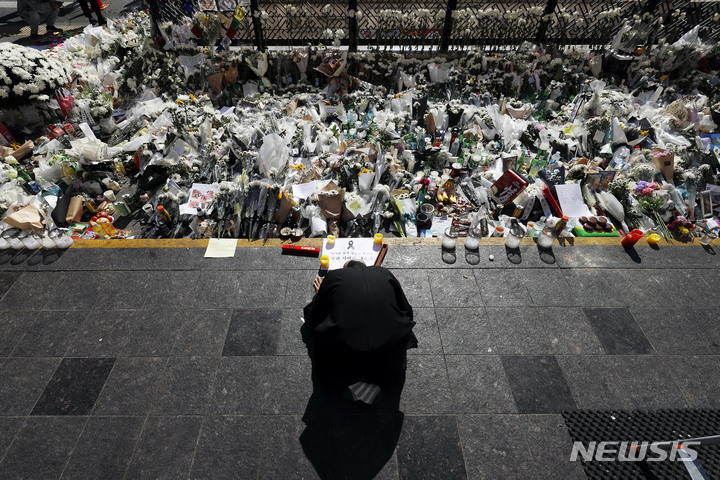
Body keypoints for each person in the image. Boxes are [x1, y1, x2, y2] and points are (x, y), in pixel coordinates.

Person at [303, 259, 417, 404]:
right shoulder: (384, 273)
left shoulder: (333, 277)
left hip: (346, 360)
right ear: (365, 265)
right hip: (389, 357)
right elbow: (407, 311)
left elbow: (313, 318)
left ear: (346, 267)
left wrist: (320, 295)